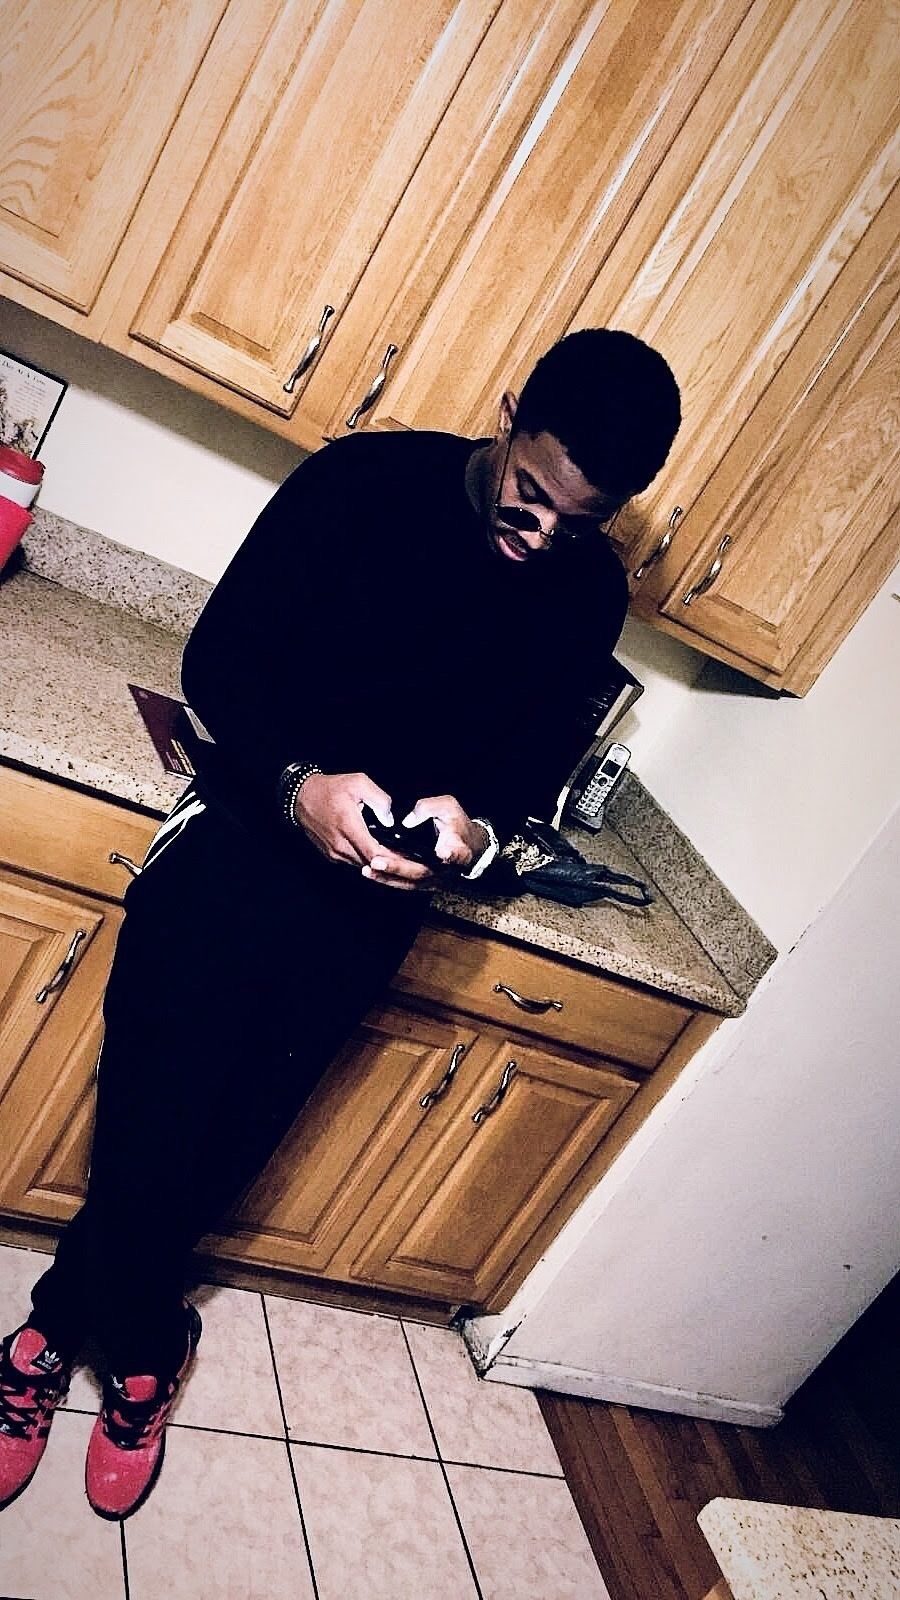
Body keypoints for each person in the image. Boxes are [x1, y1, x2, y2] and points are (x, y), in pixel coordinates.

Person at [0, 329, 680, 1518]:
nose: (540, 538)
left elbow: (528, 772)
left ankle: (54, 1331)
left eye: (578, 523)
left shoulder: (591, 594)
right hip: (233, 842)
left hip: (370, 909)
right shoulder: (364, 483)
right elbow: (218, 663)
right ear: (508, 411)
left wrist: (473, 830)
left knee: (229, 1137)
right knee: (153, 1118)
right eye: (530, 496)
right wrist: (299, 786)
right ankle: (137, 1349)